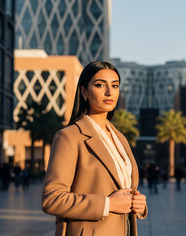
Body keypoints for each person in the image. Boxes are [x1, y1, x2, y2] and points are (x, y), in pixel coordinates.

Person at [42, 61, 147, 236]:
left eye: (115, 85)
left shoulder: (120, 138)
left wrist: (139, 205)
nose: (109, 92)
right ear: (84, 91)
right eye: (100, 85)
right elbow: (52, 199)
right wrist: (108, 204)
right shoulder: (69, 136)